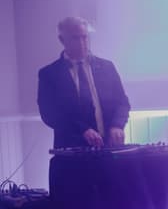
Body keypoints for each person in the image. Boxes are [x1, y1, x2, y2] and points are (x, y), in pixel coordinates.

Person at [37, 16, 130, 149]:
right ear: (62, 40)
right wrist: (82, 130)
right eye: (75, 38)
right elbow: (49, 114)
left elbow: (122, 102)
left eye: (85, 37)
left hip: (110, 147)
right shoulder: (49, 74)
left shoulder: (107, 67)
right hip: (72, 151)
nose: (82, 43)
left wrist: (117, 125)